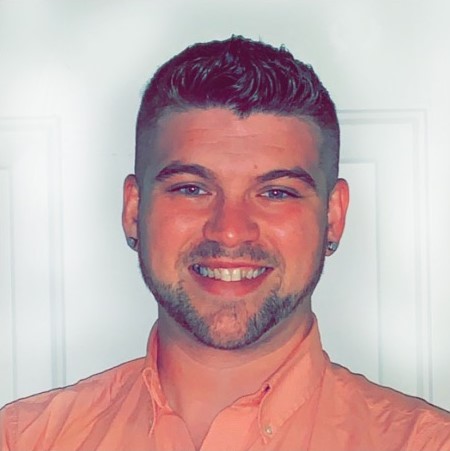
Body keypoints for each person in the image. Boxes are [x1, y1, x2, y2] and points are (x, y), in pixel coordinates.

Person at [1, 35, 449, 451]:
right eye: (191, 189)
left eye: (276, 193)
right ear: (134, 209)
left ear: (333, 217)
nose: (230, 231)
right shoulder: (23, 439)